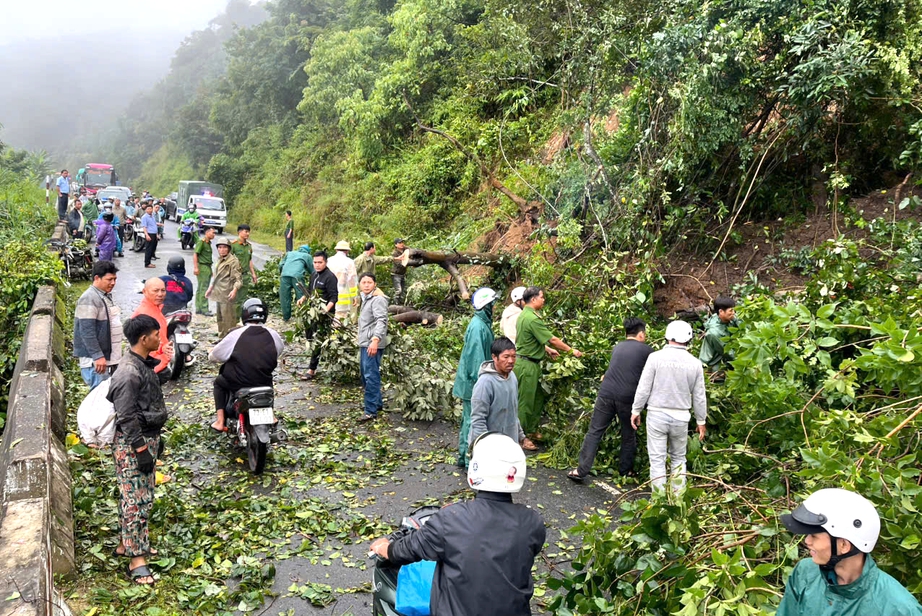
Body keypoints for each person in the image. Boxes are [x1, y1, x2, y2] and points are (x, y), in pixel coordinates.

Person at [369, 433, 546, 616]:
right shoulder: (533, 523)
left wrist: (387, 548)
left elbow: (408, 549)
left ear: (476, 469)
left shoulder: (450, 519)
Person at [778, 488, 922, 615]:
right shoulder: (805, 573)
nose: (807, 541)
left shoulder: (899, 609)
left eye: (814, 536)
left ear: (844, 545)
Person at [106, 314, 169, 586]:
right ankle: (136, 559)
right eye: (156, 334)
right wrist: (142, 449)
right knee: (137, 500)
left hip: (147, 437)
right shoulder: (128, 372)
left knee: (135, 494)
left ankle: (127, 543)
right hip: (134, 443)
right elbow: (126, 416)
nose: (159, 338)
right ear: (144, 339)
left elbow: (150, 391)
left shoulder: (140, 363)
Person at [569, 317, 653, 482]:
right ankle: (625, 470)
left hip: (606, 393)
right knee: (628, 433)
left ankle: (581, 470)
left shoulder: (617, 347)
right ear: (641, 334)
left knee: (595, 431)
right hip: (628, 397)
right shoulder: (647, 351)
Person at [630, 320, 707, 493]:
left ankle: (659, 500)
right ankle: (677, 501)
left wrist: (636, 410)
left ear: (667, 336)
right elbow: (699, 395)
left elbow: (644, 387)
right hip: (681, 417)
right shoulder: (695, 363)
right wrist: (701, 421)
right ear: (689, 339)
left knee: (657, 460)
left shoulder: (655, 358)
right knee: (679, 459)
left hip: (656, 415)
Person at [513, 287, 583, 439]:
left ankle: (531, 430)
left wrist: (547, 349)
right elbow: (553, 339)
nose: (543, 300)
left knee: (537, 398)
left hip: (530, 362)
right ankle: (520, 437)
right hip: (527, 366)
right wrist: (571, 351)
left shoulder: (525, 315)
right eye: (542, 297)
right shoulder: (532, 319)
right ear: (533, 299)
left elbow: (530, 339)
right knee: (525, 403)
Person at [208, 298, 284, 432]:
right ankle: (271, 415)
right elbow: (278, 351)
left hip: (238, 383)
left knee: (219, 384)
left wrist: (211, 354)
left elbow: (216, 356)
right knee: (268, 383)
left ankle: (220, 421)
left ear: (244, 315)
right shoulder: (274, 335)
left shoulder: (236, 334)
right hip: (263, 382)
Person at [453, 287, 499, 467]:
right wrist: (484, 383)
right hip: (473, 382)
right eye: (493, 304)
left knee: (469, 419)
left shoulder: (483, 324)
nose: (495, 308)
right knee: (473, 420)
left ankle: (464, 455)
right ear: (486, 306)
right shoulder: (478, 327)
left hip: (473, 381)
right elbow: (476, 360)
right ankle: (467, 460)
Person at [469, 337, 535, 452]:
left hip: (509, 443)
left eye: (513, 356)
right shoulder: (485, 383)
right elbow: (478, 419)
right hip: (490, 446)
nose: (510, 361)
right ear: (494, 357)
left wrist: (521, 436)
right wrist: (485, 446)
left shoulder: (512, 377)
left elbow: (513, 412)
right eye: (506, 357)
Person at [73, 261, 123, 389]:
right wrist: (97, 356)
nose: (113, 283)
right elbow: (86, 331)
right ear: (97, 278)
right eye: (109, 279)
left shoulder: (104, 296)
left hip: (106, 359)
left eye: (115, 279)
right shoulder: (89, 298)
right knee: (99, 397)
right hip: (95, 362)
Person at [298, 251, 338, 379]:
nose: (317, 265)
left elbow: (334, 297)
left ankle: (311, 369)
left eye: (320, 262)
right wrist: (303, 298)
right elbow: (310, 291)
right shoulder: (314, 275)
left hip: (324, 314)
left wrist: (327, 309)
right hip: (312, 313)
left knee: (317, 339)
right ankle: (321, 355)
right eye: (315, 262)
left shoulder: (330, 277)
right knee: (309, 335)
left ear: (325, 262)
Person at [357, 273, 388, 422]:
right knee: (365, 374)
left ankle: (370, 411)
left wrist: (375, 340)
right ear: (360, 285)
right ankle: (377, 404)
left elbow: (381, 320)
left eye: (370, 282)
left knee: (370, 376)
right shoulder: (365, 298)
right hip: (365, 342)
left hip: (372, 343)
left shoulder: (378, 300)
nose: (367, 285)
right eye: (364, 282)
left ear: (375, 284)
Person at [131, 278, 175, 375]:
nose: (160, 294)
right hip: (151, 367)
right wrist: (161, 349)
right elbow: (141, 342)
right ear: (144, 292)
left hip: (158, 363)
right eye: (155, 291)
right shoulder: (144, 314)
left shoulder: (155, 308)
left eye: (163, 290)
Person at [207, 237, 243, 339]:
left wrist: (234, 290)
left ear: (229, 249)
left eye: (224, 247)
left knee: (228, 320)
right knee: (220, 318)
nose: (221, 250)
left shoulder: (233, 261)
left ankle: (229, 340)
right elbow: (217, 277)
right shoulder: (220, 260)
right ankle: (221, 337)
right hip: (219, 293)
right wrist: (210, 288)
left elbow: (239, 279)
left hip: (227, 294)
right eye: (220, 247)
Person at [699, 296, 739, 370]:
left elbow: (743, 328)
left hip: (724, 360)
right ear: (721, 312)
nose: (734, 313)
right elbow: (727, 353)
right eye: (731, 311)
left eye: (734, 310)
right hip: (713, 365)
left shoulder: (725, 318)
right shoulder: (714, 332)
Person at [278, 244, 314, 321]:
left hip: (284, 276)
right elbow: (312, 270)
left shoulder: (290, 253)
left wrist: (282, 272)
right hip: (297, 277)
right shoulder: (307, 256)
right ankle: (302, 316)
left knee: (284, 297)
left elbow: (281, 265)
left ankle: (286, 317)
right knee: (301, 295)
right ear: (308, 251)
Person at [230, 224, 257, 314]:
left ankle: (240, 318)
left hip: (245, 276)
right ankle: (234, 319)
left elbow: (249, 261)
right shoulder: (233, 245)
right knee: (235, 299)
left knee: (243, 299)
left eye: (248, 232)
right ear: (239, 232)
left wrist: (253, 274)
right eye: (246, 231)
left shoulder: (249, 246)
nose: (247, 234)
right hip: (236, 276)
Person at [328, 240, 358, 319]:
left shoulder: (328, 260)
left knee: (329, 316)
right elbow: (353, 281)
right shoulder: (350, 262)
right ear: (347, 251)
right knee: (340, 318)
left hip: (329, 294)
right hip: (343, 296)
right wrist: (354, 296)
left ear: (336, 250)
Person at [193, 227, 216, 316]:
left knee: (201, 288)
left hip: (207, 266)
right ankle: (204, 308)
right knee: (204, 288)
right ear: (207, 232)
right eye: (212, 232)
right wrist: (196, 267)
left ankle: (198, 308)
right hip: (202, 266)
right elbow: (195, 254)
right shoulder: (201, 242)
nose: (214, 235)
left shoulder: (208, 243)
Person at [391, 238, 409, 304]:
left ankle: (401, 304)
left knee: (403, 291)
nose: (402, 244)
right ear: (396, 245)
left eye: (402, 242)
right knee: (398, 290)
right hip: (396, 274)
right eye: (400, 243)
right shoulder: (395, 253)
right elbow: (398, 264)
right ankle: (395, 304)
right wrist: (407, 262)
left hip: (403, 274)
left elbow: (411, 250)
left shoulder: (405, 249)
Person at [141, 204, 159, 268]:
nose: (150, 210)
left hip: (154, 234)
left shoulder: (152, 216)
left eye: (151, 208)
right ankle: (147, 263)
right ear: (146, 210)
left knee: (152, 249)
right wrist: (147, 235)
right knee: (148, 249)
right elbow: (144, 227)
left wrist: (157, 234)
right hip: (149, 234)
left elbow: (154, 225)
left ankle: (149, 262)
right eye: (148, 209)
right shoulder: (144, 217)